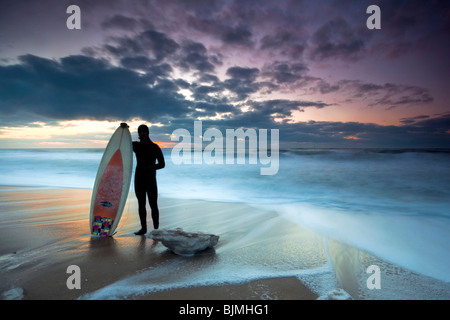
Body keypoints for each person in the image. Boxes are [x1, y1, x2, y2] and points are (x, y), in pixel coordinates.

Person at [132, 124, 165, 235]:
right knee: (141, 204)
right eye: (140, 131)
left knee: (153, 204)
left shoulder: (154, 147)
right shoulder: (136, 146)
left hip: (150, 179)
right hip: (139, 179)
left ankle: (156, 230)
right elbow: (123, 142)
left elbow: (162, 164)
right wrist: (123, 129)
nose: (142, 133)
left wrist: (151, 167)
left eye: (144, 131)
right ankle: (144, 229)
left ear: (147, 133)